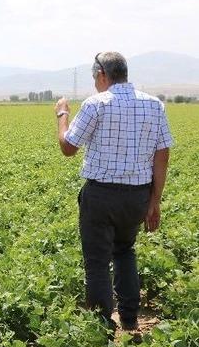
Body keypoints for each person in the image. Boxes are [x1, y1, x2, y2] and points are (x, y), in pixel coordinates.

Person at [55, 51, 173, 331]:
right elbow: (162, 155)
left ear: (102, 75)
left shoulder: (96, 104)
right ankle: (130, 322)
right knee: (125, 251)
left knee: (97, 263)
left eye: (94, 77)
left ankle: (102, 329)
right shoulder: (154, 105)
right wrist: (155, 201)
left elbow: (68, 147)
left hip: (101, 196)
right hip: (137, 196)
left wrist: (62, 114)